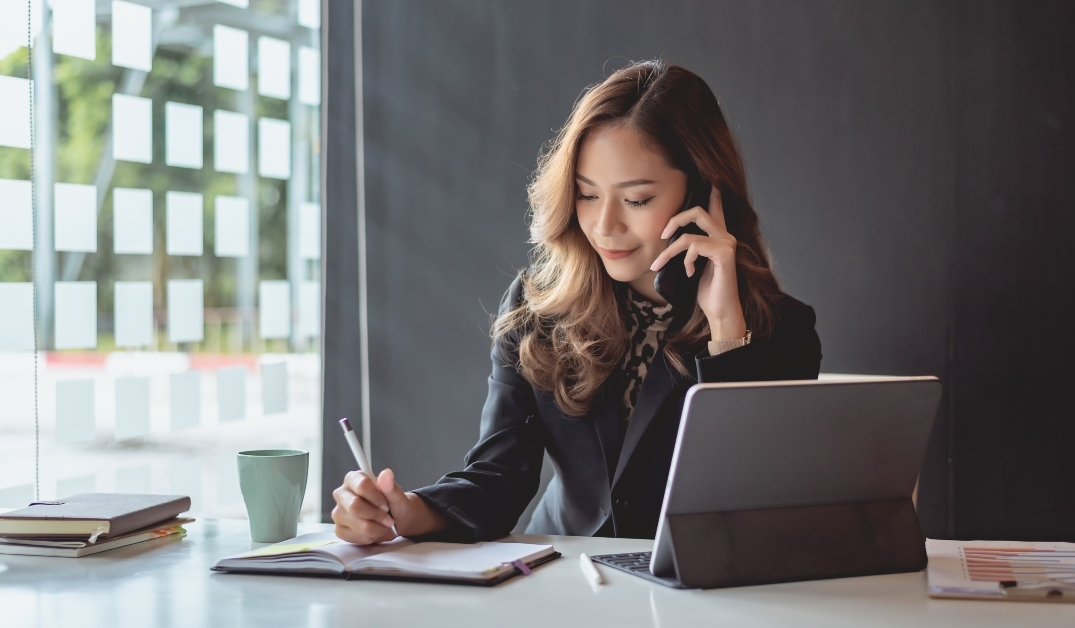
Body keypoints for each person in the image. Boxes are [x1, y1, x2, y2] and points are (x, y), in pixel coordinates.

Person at [332, 60, 822, 544]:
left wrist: (725, 331)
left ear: (702, 194)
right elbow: (498, 477)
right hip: (562, 583)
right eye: (587, 195)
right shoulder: (536, 308)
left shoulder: (785, 330)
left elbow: (749, 504)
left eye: (636, 200)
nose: (604, 226)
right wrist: (406, 511)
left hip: (694, 600)